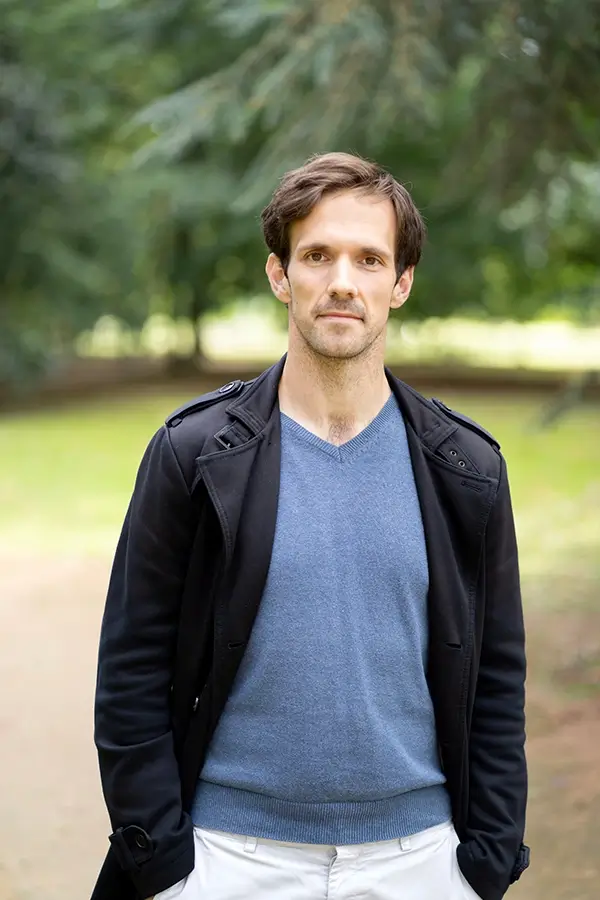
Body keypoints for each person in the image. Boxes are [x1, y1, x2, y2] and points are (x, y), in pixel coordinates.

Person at [92, 152, 529, 900]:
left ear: (402, 283)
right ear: (279, 275)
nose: (342, 282)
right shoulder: (195, 456)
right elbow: (130, 672)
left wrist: (484, 864)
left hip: (419, 861)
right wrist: (164, 869)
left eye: (369, 259)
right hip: (230, 857)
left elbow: (496, 681)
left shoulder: (466, 469)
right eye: (317, 255)